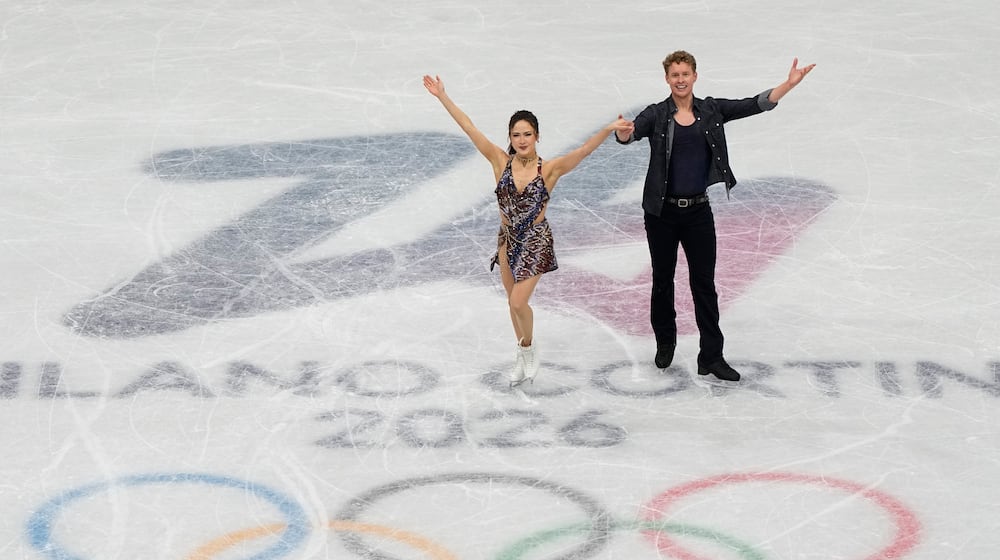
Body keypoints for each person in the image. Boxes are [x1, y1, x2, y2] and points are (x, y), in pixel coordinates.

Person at [614, 50, 815, 384]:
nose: (680, 80)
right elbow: (629, 135)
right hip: (661, 214)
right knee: (663, 280)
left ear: (695, 76)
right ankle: (666, 341)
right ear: (667, 79)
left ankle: (711, 356)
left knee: (704, 284)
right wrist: (623, 132)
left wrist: (788, 85)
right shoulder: (657, 114)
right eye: (674, 75)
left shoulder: (711, 110)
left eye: (685, 74)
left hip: (698, 213)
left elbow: (753, 104)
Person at [423, 74, 633, 387]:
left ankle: (529, 348)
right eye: (517, 134)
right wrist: (442, 96)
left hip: (536, 241)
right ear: (510, 137)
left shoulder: (548, 170)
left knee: (519, 303)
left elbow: (584, 151)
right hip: (508, 241)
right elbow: (469, 127)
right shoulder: (499, 162)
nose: (522, 140)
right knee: (512, 304)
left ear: (537, 137)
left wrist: (606, 129)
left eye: (528, 134)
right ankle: (522, 355)